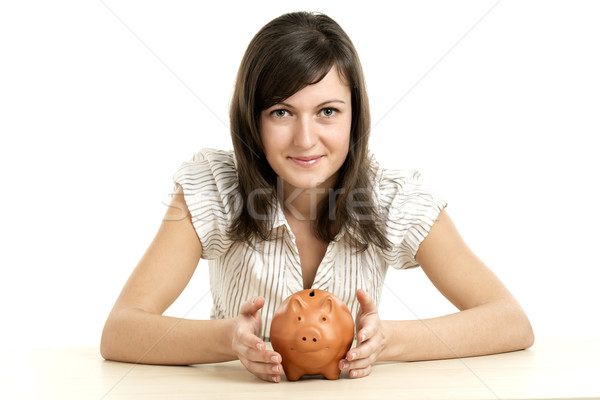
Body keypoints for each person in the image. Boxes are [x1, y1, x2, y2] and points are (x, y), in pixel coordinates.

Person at [100, 11, 534, 383]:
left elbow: (510, 322)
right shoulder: (214, 188)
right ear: (252, 120)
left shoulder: (391, 197)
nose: (306, 139)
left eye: (327, 111)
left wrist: (386, 341)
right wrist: (229, 339)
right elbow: (120, 330)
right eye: (282, 112)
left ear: (353, 116)